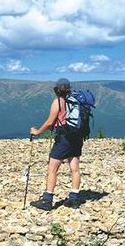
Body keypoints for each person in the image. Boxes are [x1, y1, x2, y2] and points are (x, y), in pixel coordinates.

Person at [29, 78, 84, 210]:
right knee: (75, 169)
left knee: (52, 169)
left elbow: (49, 122)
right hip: (76, 136)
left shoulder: (58, 101)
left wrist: (37, 132)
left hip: (63, 137)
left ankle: (47, 200)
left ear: (57, 89)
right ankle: (74, 199)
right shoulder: (75, 101)